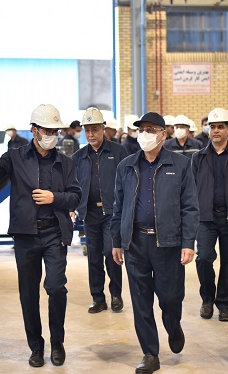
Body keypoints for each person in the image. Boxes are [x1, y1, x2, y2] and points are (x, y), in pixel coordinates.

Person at [0, 104, 81, 368]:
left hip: (54, 233)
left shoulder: (65, 163)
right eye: (48, 130)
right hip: (25, 234)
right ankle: (36, 346)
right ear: (34, 130)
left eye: (55, 131)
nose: (52, 135)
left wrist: (54, 198)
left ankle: (57, 343)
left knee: (56, 287)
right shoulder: (16, 157)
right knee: (28, 294)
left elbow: (75, 196)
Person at [111, 112, 199, 374]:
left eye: (150, 129)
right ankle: (150, 353)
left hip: (167, 243)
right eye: (141, 130)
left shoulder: (180, 164)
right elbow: (118, 207)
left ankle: (173, 324)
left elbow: (190, 206)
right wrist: (117, 240)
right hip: (135, 242)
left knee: (170, 298)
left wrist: (188, 242)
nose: (144, 134)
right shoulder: (126, 166)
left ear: (163, 134)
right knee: (140, 301)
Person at [72, 107, 128, 314]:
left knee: (111, 253)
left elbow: (128, 181)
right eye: (87, 130)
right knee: (93, 257)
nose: (90, 134)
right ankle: (98, 298)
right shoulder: (78, 157)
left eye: (94, 130)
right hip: (89, 214)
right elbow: (73, 185)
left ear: (103, 129)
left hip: (111, 213)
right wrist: (73, 208)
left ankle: (116, 294)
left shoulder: (118, 152)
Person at [191, 108, 228, 322]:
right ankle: (207, 299)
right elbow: (190, 189)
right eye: (212, 127)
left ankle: (224, 304)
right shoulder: (198, 158)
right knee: (204, 258)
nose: (215, 130)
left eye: (220, 127)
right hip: (206, 218)